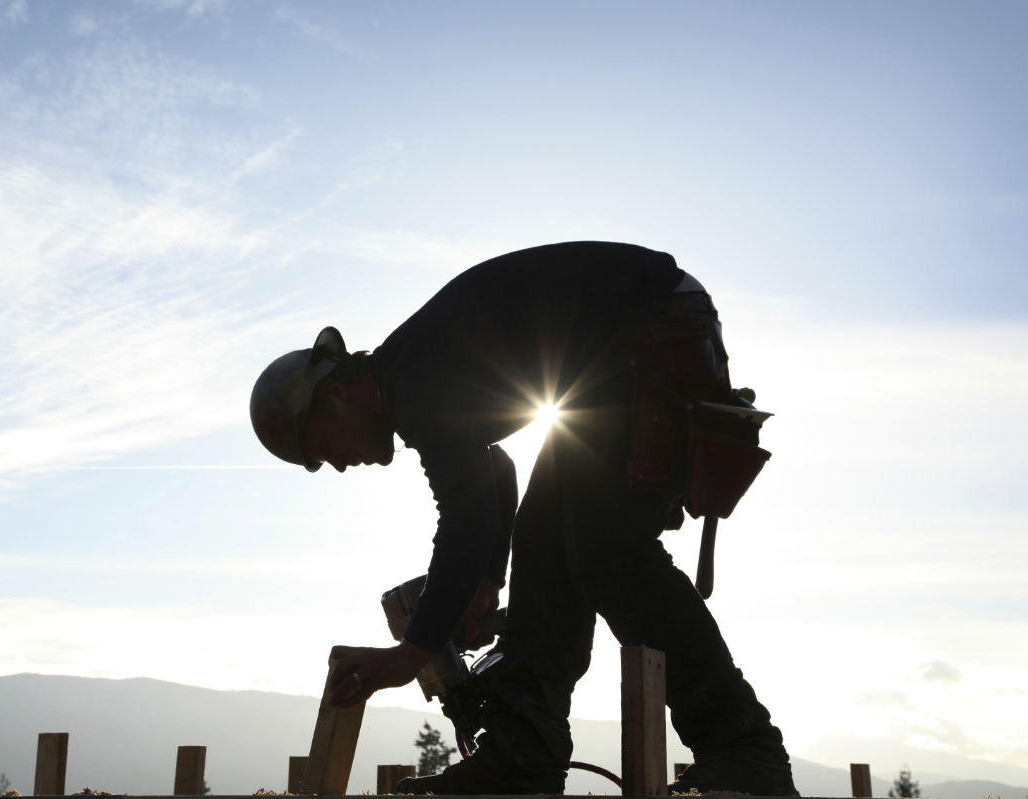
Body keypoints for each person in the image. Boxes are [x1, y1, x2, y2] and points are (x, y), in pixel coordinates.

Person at [249, 241, 797, 796]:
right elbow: (497, 467)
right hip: (613, 358)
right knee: (544, 540)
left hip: (651, 327)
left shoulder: (414, 384)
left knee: (604, 541)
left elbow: (466, 513)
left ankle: (742, 749)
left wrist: (411, 654)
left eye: (324, 447)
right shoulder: (408, 375)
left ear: (338, 395)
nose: (339, 466)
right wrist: (489, 577)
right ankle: (523, 755)